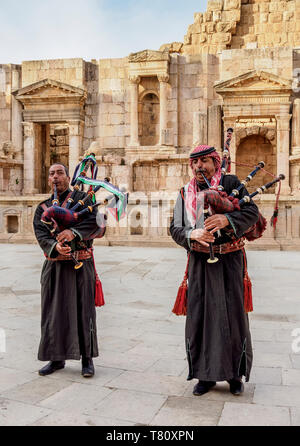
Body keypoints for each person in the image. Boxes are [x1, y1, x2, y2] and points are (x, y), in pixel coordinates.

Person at [170, 145, 259, 396]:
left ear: (215, 163)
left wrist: (227, 220)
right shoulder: (184, 193)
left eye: (205, 161)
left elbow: (252, 213)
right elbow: (175, 228)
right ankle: (205, 375)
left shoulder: (231, 183)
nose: (200, 167)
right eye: (195, 162)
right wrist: (191, 234)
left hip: (230, 262)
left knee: (233, 317)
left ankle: (234, 376)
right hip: (199, 264)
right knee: (200, 317)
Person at [33, 163, 103, 378]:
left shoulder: (85, 200)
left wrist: (74, 233)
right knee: (54, 312)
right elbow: (41, 234)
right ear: (49, 179)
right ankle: (56, 359)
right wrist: (55, 247)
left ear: (67, 176)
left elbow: (98, 224)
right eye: (51, 173)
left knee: (84, 311)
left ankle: (87, 359)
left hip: (81, 265)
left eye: (60, 173)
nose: (56, 177)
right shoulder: (43, 208)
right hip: (55, 266)